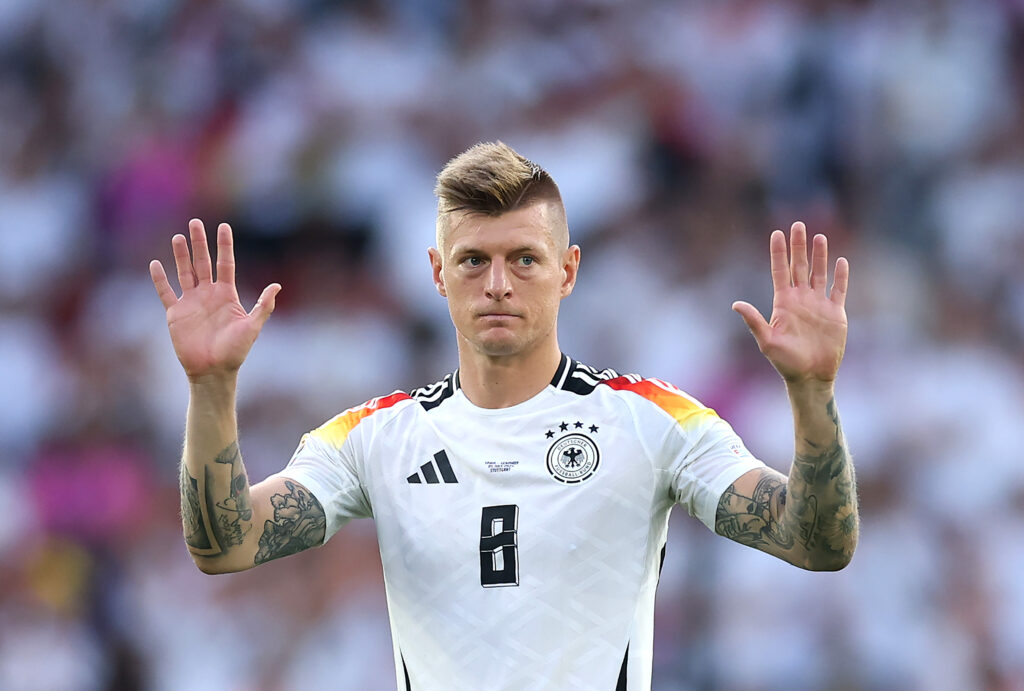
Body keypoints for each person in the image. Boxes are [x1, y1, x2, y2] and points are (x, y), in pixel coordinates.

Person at [149, 141, 858, 690]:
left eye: (524, 258)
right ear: (436, 273)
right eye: (472, 261)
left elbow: (816, 541)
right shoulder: (376, 435)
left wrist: (813, 393)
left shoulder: (653, 420)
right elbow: (226, 544)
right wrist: (210, 385)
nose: (497, 284)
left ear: (569, 270)